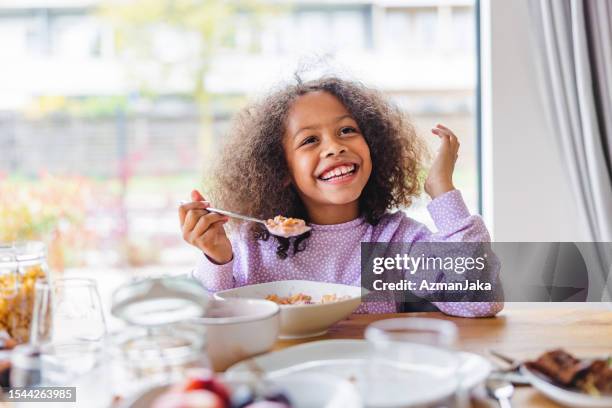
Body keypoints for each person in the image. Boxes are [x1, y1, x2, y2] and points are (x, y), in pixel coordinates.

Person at [179, 77, 503, 317]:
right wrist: (217, 258)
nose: (334, 147)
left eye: (347, 130)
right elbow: (211, 316)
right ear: (280, 170)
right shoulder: (249, 243)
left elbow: (480, 299)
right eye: (309, 140)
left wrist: (442, 189)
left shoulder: (396, 241)